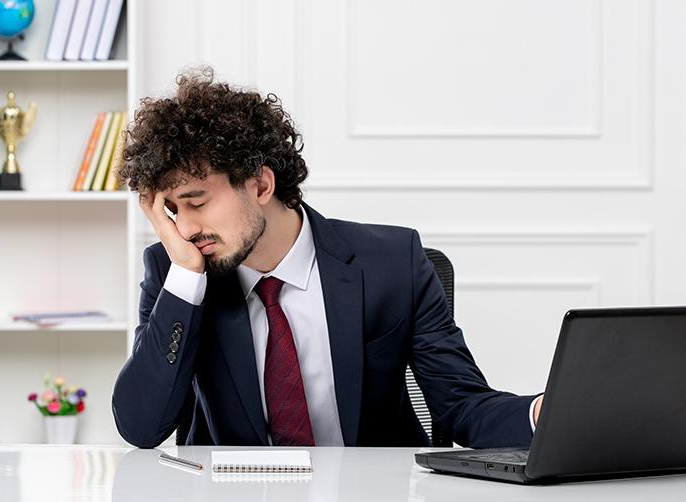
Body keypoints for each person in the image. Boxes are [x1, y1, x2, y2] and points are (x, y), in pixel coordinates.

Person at [112, 67, 543, 448]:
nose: (184, 230)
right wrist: (186, 279)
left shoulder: (393, 263)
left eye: (196, 202)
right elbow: (141, 427)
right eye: (172, 211)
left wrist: (545, 413)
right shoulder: (177, 270)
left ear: (261, 186)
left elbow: (461, 407)